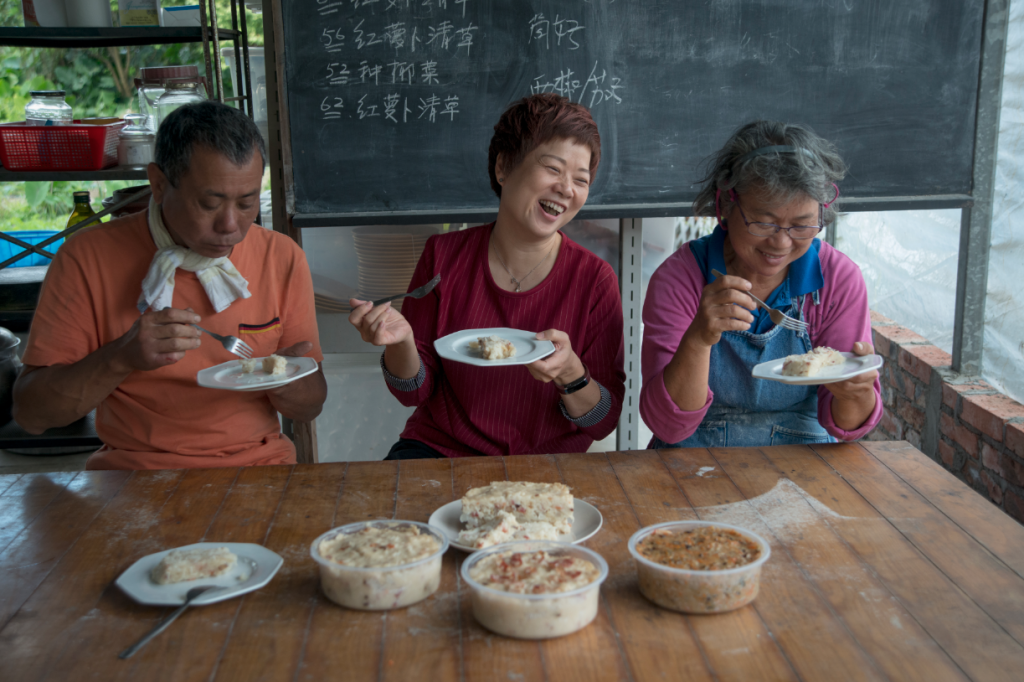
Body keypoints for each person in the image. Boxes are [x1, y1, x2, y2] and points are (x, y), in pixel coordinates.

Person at [12, 101, 327, 469]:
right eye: (210, 203)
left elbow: (311, 406)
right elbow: (33, 415)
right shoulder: (88, 256)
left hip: (258, 467)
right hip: (136, 475)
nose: (231, 226)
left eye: (247, 202)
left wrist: (287, 380)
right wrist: (120, 357)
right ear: (159, 184)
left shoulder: (280, 256)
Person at [348, 93, 625, 459]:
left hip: (547, 462)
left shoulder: (594, 280)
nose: (567, 189)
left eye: (581, 179)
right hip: (440, 451)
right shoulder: (442, 255)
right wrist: (401, 343)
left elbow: (603, 421)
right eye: (553, 169)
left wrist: (571, 372)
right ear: (503, 167)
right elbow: (412, 392)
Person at [640, 121, 881, 448]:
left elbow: (846, 426)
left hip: (804, 462)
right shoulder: (681, 279)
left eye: (802, 225)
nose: (781, 243)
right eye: (764, 222)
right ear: (726, 205)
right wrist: (698, 338)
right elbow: (668, 427)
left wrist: (857, 392)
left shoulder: (836, 280)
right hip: (693, 462)